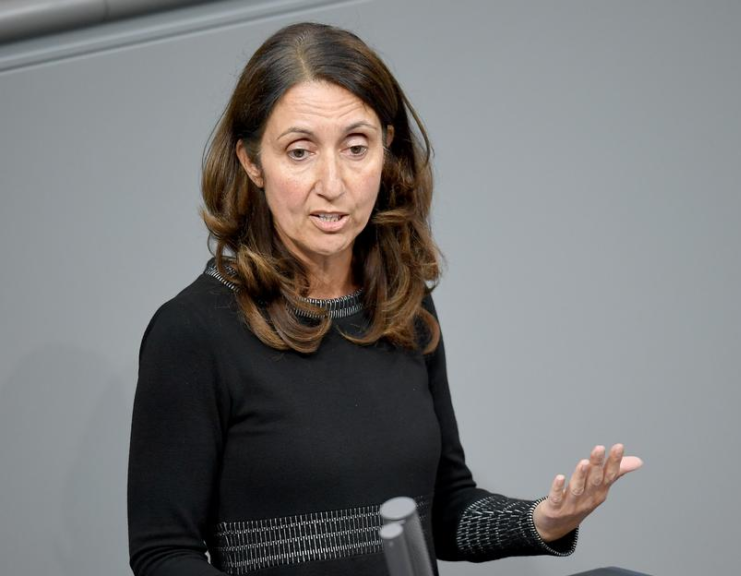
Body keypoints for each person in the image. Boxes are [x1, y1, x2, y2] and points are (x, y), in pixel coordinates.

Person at [126, 22, 642, 576]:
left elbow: (444, 507)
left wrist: (543, 520)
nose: (333, 183)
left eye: (356, 148)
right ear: (252, 162)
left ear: (385, 151)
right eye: (299, 152)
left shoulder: (404, 306)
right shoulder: (193, 332)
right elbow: (163, 555)